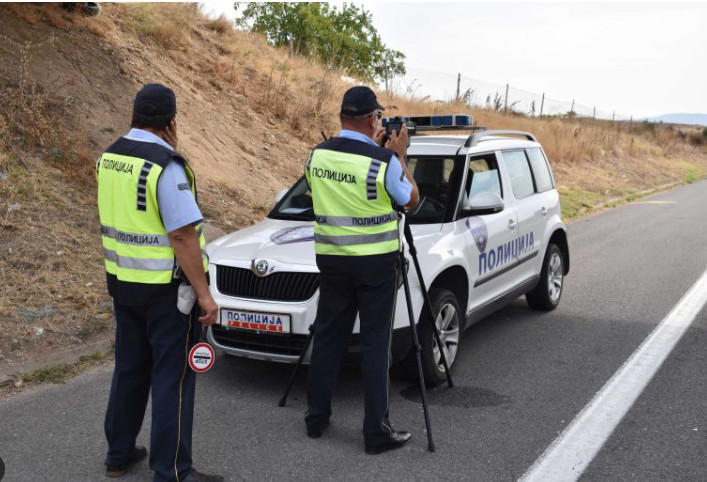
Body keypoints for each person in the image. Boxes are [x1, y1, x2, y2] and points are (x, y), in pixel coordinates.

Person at [96, 83, 222, 482]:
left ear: (134, 116)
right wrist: (205, 295)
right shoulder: (165, 165)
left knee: (130, 368)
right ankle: (172, 471)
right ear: (171, 123)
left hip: (122, 282)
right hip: (167, 294)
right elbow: (182, 236)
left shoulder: (110, 156)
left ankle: (118, 455)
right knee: (175, 376)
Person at [304, 85, 420, 454]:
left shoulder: (316, 156)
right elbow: (411, 201)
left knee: (327, 338)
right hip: (375, 266)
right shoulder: (383, 162)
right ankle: (375, 432)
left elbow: (315, 194)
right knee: (375, 345)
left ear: (342, 117)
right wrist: (399, 156)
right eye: (379, 118)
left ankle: (316, 418)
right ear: (372, 119)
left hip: (332, 260)